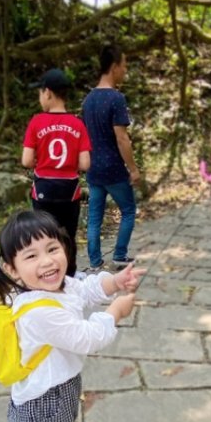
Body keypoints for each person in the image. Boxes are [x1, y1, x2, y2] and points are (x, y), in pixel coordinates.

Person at [0, 209, 143, 422]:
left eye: (52, 248)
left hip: (58, 386)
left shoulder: (54, 287)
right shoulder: (38, 311)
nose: (47, 261)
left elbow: (82, 291)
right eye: (31, 256)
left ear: (65, 247)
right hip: (46, 399)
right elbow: (85, 337)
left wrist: (114, 281)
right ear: (12, 269)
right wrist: (114, 313)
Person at [22, 68, 90, 276]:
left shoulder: (36, 122)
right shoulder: (77, 124)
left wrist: (39, 160)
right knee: (67, 235)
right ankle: (69, 274)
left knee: (43, 237)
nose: (40, 98)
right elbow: (85, 164)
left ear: (48, 93)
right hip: (69, 193)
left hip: (43, 192)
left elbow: (26, 160)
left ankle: (46, 275)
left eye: (40, 93)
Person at [81, 44, 141, 271]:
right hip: (114, 169)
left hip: (94, 168)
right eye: (124, 65)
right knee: (128, 210)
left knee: (95, 216)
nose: (125, 70)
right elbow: (122, 138)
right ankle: (119, 255)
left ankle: (95, 261)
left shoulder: (88, 100)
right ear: (114, 67)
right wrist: (133, 169)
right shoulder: (116, 99)